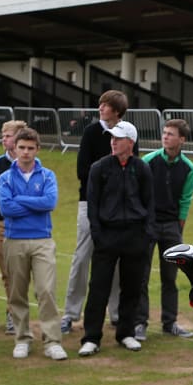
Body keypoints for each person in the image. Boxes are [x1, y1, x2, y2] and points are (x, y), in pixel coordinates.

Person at [79, 121, 153, 357]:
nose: (113, 141)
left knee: (132, 287)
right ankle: (91, 337)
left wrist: (146, 236)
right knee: (98, 287)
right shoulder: (99, 168)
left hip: (135, 235)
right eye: (112, 138)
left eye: (118, 138)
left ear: (130, 143)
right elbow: (93, 205)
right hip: (107, 236)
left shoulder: (141, 168)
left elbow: (149, 203)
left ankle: (126, 333)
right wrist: (99, 235)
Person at [61, 90, 131, 335]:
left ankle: (115, 313)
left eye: (106, 105)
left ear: (117, 111)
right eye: (101, 104)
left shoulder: (128, 133)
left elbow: (130, 169)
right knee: (81, 258)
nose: (101, 108)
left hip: (117, 209)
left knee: (115, 261)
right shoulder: (91, 132)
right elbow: (83, 170)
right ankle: (70, 313)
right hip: (90, 204)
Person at [0, 128, 68, 361]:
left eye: (30, 148)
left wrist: (21, 200)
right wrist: (33, 205)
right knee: (17, 292)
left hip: (42, 239)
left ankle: (52, 341)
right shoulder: (5, 177)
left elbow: (49, 202)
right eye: (21, 148)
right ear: (14, 149)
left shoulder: (47, 176)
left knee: (46, 290)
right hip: (15, 239)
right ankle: (22, 338)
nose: (25, 152)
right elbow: (6, 208)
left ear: (37, 149)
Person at [136, 119, 193, 341]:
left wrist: (178, 226)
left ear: (182, 139)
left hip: (171, 226)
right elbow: (139, 194)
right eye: (164, 133)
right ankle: (140, 322)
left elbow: (186, 199)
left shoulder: (188, 167)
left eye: (171, 134)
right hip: (149, 224)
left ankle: (169, 322)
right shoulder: (148, 161)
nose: (166, 137)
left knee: (170, 277)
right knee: (141, 275)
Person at [0, 119, 28, 335]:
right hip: (1, 223)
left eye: (8, 135)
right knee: (7, 273)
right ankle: (12, 314)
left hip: (25, 224)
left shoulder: (30, 163)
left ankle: (22, 312)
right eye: (3, 135)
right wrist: (20, 195)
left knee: (24, 272)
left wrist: (11, 194)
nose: (4, 139)